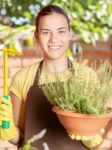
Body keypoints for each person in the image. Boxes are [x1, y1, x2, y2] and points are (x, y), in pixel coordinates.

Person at [0, 4, 111, 150]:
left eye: (61, 31)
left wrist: (91, 137)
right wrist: (9, 132)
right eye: (46, 32)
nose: (54, 39)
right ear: (37, 36)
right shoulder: (23, 78)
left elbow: (95, 142)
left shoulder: (87, 77)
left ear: (70, 34)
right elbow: (20, 138)